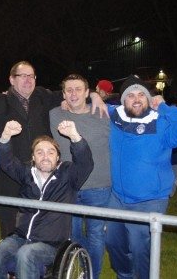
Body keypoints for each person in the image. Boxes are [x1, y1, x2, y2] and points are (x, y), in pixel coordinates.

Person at [0, 61, 105, 239]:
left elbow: (72, 94)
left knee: (41, 227)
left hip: (41, 179)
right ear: (12, 79)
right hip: (10, 176)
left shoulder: (43, 96)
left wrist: (95, 95)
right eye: (22, 76)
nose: (28, 80)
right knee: (10, 231)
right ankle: (9, 266)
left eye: (31, 76)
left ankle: (35, 263)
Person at [105, 75, 177, 279]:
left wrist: (165, 107)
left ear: (149, 99)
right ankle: (124, 274)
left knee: (141, 248)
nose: (136, 99)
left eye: (141, 94)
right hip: (118, 198)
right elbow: (93, 105)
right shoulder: (114, 118)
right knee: (113, 242)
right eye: (130, 95)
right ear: (123, 101)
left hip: (150, 200)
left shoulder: (161, 122)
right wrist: (95, 97)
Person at [0, 119, 94, 279]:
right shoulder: (27, 174)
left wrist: (74, 136)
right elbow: (7, 162)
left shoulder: (68, 174)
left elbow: (85, 164)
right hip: (20, 237)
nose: (45, 157)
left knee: (26, 254)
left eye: (50, 152)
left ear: (58, 157)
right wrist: (6, 136)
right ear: (33, 158)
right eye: (39, 152)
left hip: (52, 244)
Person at [49, 74, 110, 279]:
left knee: (95, 235)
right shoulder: (55, 114)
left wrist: (97, 97)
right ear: (64, 94)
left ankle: (93, 275)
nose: (73, 93)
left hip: (99, 187)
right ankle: (79, 268)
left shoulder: (103, 114)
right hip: (69, 186)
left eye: (78, 89)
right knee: (73, 234)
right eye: (69, 90)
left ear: (87, 92)